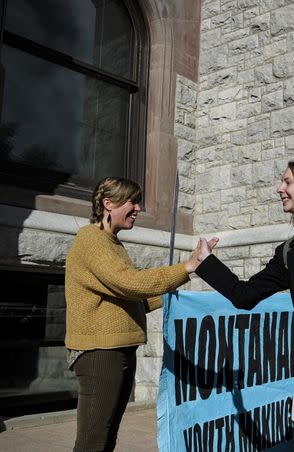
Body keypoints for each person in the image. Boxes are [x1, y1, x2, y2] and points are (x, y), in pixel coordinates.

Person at [65, 176, 210, 451]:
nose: (138, 208)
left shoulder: (112, 243)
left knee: (107, 437)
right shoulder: (91, 241)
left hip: (117, 350)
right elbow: (130, 283)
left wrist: (176, 290)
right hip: (100, 354)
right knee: (92, 442)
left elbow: (131, 299)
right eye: (132, 201)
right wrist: (186, 267)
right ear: (108, 204)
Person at [194, 159, 294, 450]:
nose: (280, 188)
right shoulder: (290, 250)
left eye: (287, 182)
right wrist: (207, 262)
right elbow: (245, 295)